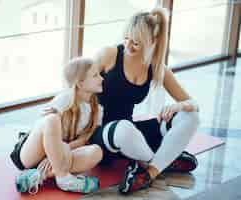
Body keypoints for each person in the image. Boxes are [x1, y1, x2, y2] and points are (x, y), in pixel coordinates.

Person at [89, 7, 200, 195]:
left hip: (131, 136)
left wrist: (177, 106)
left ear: (152, 42)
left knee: (191, 117)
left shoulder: (156, 68)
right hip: (100, 133)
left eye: (136, 43)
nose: (128, 46)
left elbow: (193, 103)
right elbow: (77, 85)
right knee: (124, 129)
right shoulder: (109, 54)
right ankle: (165, 160)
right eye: (127, 38)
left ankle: (148, 173)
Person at [10, 57, 104, 194]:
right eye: (95, 75)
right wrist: (53, 152)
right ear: (80, 83)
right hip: (32, 154)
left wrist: (56, 155)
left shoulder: (98, 110)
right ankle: (64, 178)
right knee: (52, 119)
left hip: (61, 154)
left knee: (96, 151)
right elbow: (44, 127)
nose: (101, 79)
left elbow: (83, 140)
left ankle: (37, 176)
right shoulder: (64, 99)